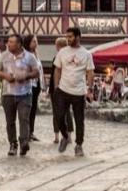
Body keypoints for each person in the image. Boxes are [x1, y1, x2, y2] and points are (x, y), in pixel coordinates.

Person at [0, 33, 39, 157]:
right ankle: (13, 144)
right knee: (10, 121)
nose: (9, 44)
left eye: (12, 42)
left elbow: (36, 72)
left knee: (24, 119)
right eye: (8, 41)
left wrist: (25, 76)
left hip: (25, 93)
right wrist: (5, 76)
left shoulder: (30, 57)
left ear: (19, 44)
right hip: (8, 93)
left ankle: (24, 142)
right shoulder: (3, 56)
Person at [53, 26, 94, 157]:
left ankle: (79, 145)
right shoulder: (62, 52)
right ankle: (65, 136)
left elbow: (90, 73)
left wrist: (90, 90)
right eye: (67, 37)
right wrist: (56, 87)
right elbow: (57, 70)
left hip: (79, 92)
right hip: (63, 90)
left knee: (79, 120)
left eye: (70, 37)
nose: (68, 39)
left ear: (77, 37)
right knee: (59, 117)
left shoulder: (86, 54)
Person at [48, 37, 73, 144]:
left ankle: (57, 136)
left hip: (58, 90)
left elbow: (54, 76)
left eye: (56, 45)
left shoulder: (57, 58)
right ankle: (69, 135)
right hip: (67, 89)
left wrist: (52, 90)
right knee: (67, 112)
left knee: (57, 113)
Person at [22, 35, 44, 141]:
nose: (36, 43)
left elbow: (40, 71)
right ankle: (26, 132)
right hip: (28, 85)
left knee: (33, 109)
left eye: (36, 41)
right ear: (28, 43)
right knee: (27, 110)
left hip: (36, 85)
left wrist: (42, 85)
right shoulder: (25, 55)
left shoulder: (36, 54)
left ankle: (31, 132)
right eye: (34, 41)